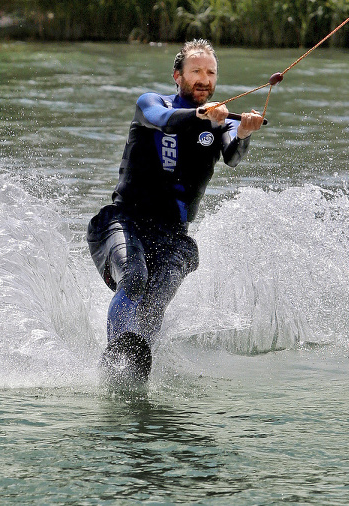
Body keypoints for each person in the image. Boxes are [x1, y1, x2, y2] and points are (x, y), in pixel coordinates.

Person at [87, 39, 265, 386]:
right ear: (177, 76)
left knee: (155, 300)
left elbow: (232, 154)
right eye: (196, 71)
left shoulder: (221, 123)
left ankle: (137, 364)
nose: (205, 79)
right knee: (134, 278)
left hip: (173, 236)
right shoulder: (151, 104)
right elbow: (162, 119)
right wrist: (200, 115)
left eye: (211, 72)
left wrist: (244, 131)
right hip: (123, 223)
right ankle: (116, 354)